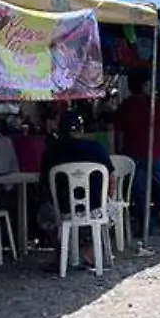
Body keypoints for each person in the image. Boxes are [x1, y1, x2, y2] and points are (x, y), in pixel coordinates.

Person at [40, 110, 112, 270]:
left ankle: (59, 253)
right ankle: (91, 250)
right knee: (113, 209)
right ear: (81, 129)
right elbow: (110, 178)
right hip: (96, 208)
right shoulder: (97, 148)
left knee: (43, 212)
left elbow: (44, 184)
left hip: (63, 210)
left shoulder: (50, 152)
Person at [113, 71, 160, 235]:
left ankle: (146, 228)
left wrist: (119, 152)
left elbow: (119, 134)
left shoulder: (125, 106)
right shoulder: (156, 105)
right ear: (145, 85)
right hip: (156, 153)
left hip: (132, 154)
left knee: (140, 193)